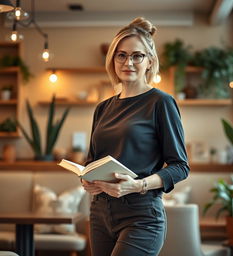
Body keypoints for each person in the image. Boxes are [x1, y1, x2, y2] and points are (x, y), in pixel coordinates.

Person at [81, 17, 190, 256]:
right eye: (121, 55)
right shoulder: (103, 108)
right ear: (113, 59)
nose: (128, 62)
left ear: (149, 61)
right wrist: (86, 178)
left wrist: (138, 185)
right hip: (100, 213)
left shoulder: (161, 103)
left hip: (142, 215)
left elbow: (180, 167)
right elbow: (92, 160)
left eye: (137, 56)